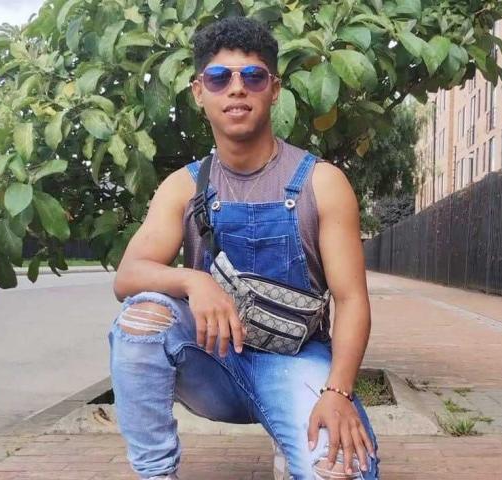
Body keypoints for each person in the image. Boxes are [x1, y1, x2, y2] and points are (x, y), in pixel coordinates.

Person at [108, 15, 379, 480]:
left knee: (341, 472)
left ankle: (293, 432)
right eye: (219, 77)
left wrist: (338, 392)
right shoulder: (183, 187)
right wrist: (193, 281)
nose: (236, 88)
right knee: (142, 317)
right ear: (199, 92)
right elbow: (128, 275)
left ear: (274, 90)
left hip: (297, 361)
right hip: (213, 364)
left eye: (253, 76)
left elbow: (352, 299)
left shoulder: (322, 183)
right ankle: (155, 474)